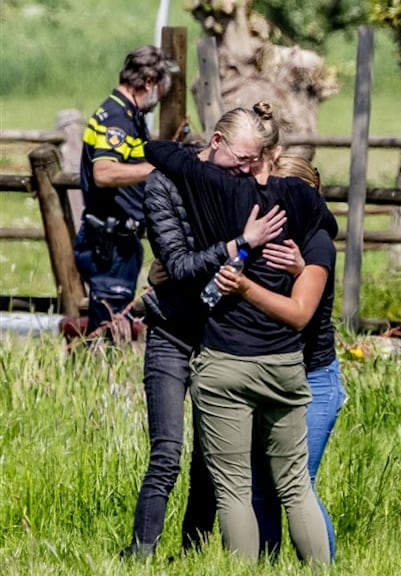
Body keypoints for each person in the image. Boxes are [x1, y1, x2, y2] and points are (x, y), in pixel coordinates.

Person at [144, 105, 337, 564]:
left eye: (249, 160)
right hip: (285, 363)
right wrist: (300, 263)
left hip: (226, 358)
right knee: (295, 486)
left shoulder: (222, 191)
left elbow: (159, 151)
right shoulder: (304, 200)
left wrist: (241, 270)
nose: (244, 168)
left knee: (234, 488)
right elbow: (327, 228)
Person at [122, 125, 287, 558]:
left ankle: (192, 554)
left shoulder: (238, 185)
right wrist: (238, 244)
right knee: (167, 451)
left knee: (208, 457)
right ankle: (141, 553)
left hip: (219, 332)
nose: (245, 169)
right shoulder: (164, 183)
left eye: (252, 161)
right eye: (241, 158)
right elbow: (177, 264)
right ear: (216, 142)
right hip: (172, 329)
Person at [219, 156, 344, 561]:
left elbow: (301, 311)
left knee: (297, 484)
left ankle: (324, 564)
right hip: (269, 371)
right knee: (260, 486)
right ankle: (266, 563)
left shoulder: (316, 242)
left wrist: (298, 271)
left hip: (313, 376)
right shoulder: (262, 235)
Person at [74, 45, 180, 340]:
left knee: (112, 325)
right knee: (110, 332)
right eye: (162, 89)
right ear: (149, 81)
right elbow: (104, 173)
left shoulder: (127, 113)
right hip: (110, 245)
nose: (162, 97)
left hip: (119, 240)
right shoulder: (117, 118)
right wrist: (158, 168)